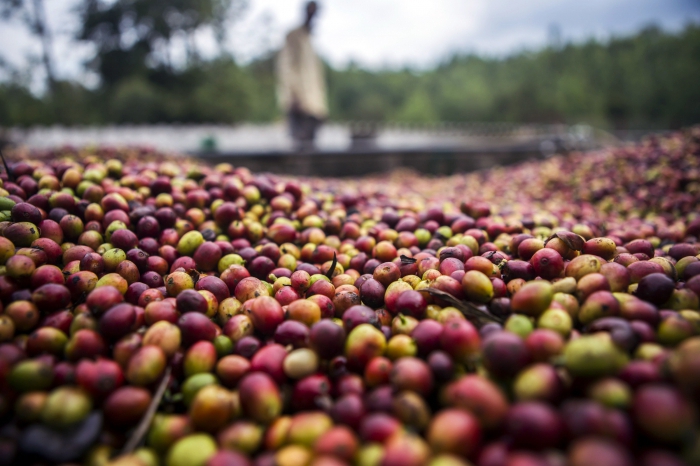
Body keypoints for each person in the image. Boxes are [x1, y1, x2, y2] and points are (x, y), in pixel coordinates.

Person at [276, 1, 328, 151]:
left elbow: (314, 78)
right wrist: (293, 95)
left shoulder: (309, 39)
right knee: (299, 148)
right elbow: (286, 67)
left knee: (311, 147)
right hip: (299, 102)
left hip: (313, 105)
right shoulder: (293, 36)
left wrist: (321, 107)